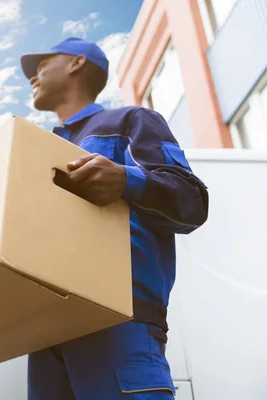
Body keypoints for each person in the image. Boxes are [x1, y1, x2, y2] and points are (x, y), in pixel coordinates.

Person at [20, 37, 209, 399]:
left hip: (119, 321)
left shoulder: (129, 121)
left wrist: (126, 179)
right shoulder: (34, 150)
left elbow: (192, 201)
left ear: (77, 63)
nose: (33, 76)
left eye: (42, 64)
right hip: (45, 335)